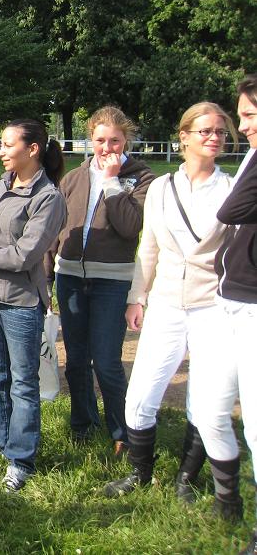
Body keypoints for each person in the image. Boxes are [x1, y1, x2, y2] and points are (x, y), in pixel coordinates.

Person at [102, 102, 236, 500]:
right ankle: (140, 473)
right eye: (205, 131)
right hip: (165, 303)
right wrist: (136, 296)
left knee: (203, 396)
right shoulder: (162, 187)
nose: (214, 138)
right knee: (142, 392)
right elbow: (149, 247)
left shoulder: (231, 190)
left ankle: (185, 480)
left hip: (213, 305)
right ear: (183, 137)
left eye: (220, 132)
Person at [0, 119, 66, 492]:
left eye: (8, 145)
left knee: (23, 382)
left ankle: (20, 459)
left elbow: (24, 256)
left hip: (20, 302)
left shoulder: (48, 198)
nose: (1, 150)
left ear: (32, 149)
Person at [54, 107, 155, 451]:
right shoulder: (75, 177)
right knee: (76, 360)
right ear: (90, 139)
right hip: (69, 277)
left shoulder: (141, 178)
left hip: (112, 282)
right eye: (100, 140)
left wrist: (112, 182)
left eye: (115, 140)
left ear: (126, 139)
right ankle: (83, 423)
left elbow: (130, 227)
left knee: (107, 361)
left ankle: (122, 432)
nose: (107, 147)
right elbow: (56, 228)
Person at [197, 75, 257, 550]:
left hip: (255, 310)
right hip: (227, 301)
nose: (242, 126)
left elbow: (231, 209)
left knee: (256, 424)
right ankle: (227, 502)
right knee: (210, 410)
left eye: (251, 116)